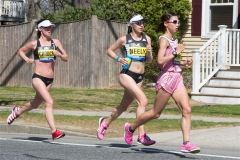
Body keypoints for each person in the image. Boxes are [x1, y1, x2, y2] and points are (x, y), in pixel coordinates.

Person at [123, 12, 201, 153]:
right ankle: (130, 128)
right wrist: (176, 52)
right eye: (174, 22)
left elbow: (170, 61)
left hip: (177, 77)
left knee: (187, 110)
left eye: (178, 22)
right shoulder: (163, 40)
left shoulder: (174, 40)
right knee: (155, 113)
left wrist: (183, 63)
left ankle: (186, 143)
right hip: (166, 79)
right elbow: (160, 61)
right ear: (166, 23)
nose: (177, 25)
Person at [97, 14, 156, 146]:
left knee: (124, 106)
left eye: (143, 22)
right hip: (127, 74)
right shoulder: (124, 39)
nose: (142, 25)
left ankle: (105, 123)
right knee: (143, 101)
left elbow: (150, 61)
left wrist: (149, 53)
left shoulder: (147, 39)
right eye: (139, 23)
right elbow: (109, 50)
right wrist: (118, 59)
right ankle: (141, 135)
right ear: (131, 25)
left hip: (140, 76)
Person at [7, 19, 68, 140]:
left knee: (35, 105)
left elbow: (66, 58)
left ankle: (17, 112)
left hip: (50, 80)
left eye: (50, 27)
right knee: (49, 102)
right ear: (40, 29)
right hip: (38, 78)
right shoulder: (34, 44)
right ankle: (54, 131)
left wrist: (59, 55)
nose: (49, 30)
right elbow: (20, 51)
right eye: (46, 28)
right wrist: (26, 59)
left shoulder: (55, 42)